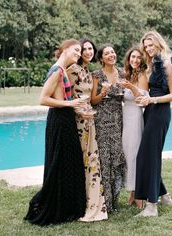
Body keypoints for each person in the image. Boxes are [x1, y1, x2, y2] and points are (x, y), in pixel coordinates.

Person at [24, 39, 87, 226]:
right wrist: (70, 104)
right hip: (59, 121)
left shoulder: (63, 70)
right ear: (65, 49)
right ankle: (56, 206)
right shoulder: (57, 71)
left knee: (67, 162)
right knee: (61, 163)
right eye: (76, 50)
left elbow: (63, 97)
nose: (78, 53)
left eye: (80, 51)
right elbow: (43, 99)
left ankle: (67, 207)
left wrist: (76, 107)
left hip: (65, 118)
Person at [134, 30, 172, 217]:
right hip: (150, 111)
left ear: (158, 43)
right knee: (148, 155)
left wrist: (152, 101)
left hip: (160, 112)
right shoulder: (153, 64)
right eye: (145, 46)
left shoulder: (168, 63)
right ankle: (164, 195)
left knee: (148, 156)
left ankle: (152, 206)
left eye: (151, 45)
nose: (148, 49)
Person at [67, 38, 108, 221]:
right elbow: (64, 96)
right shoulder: (72, 70)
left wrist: (103, 93)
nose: (88, 52)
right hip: (78, 121)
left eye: (91, 48)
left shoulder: (88, 72)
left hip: (90, 120)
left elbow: (91, 100)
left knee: (91, 160)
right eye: (85, 49)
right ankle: (79, 203)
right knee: (81, 160)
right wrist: (78, 110)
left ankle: (92, 203)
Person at [91, 44, 126, 213]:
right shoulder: (96, 75)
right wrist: (103, 92)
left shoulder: (123, 73)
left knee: (117, 159)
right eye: (107, 53)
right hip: (102, 122)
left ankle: (116, 198)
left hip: (119, 121)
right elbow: (93, 101)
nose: (111, 54)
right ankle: (106, 203)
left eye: (112, 51)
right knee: (105, 161)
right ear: (101, 58)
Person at [121, 45, 148, 209]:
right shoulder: (126, 74)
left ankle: (139, 194)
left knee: (135, 154)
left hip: (136, 116)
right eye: (133, 57)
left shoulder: (142, 76)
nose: (135, 60)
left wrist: (131, 87)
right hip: (125, 116)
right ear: (128, 58)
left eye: (138, 57)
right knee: (127, 154)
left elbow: (142, 98)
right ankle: (132, 192)